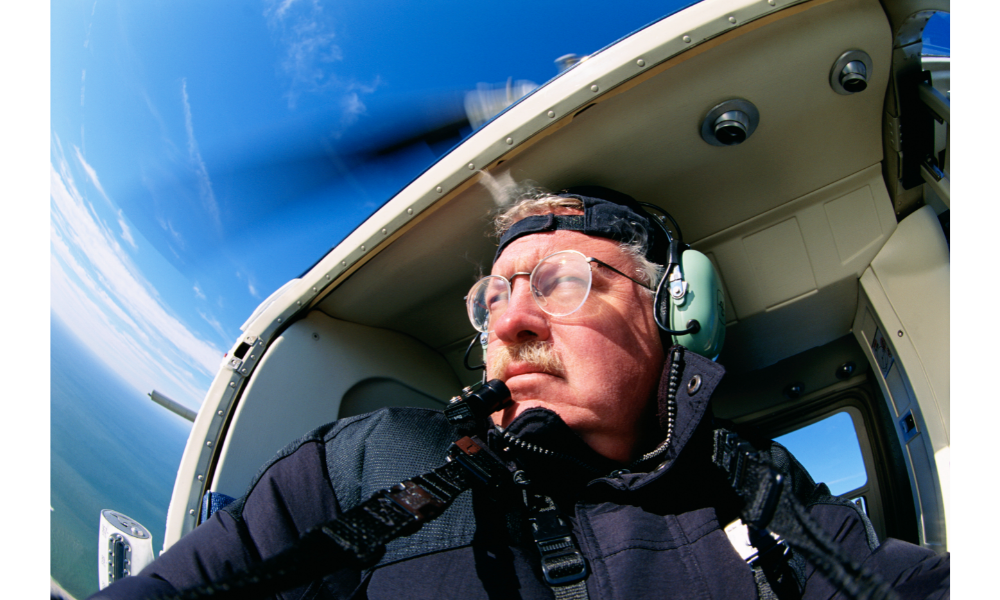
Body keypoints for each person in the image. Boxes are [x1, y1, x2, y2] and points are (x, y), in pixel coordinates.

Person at [90, 186, 949, 599]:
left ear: (672, 315)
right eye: (493, 297)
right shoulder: (365, 463)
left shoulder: (755, 487)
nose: (508, 326)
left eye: (563, 282)